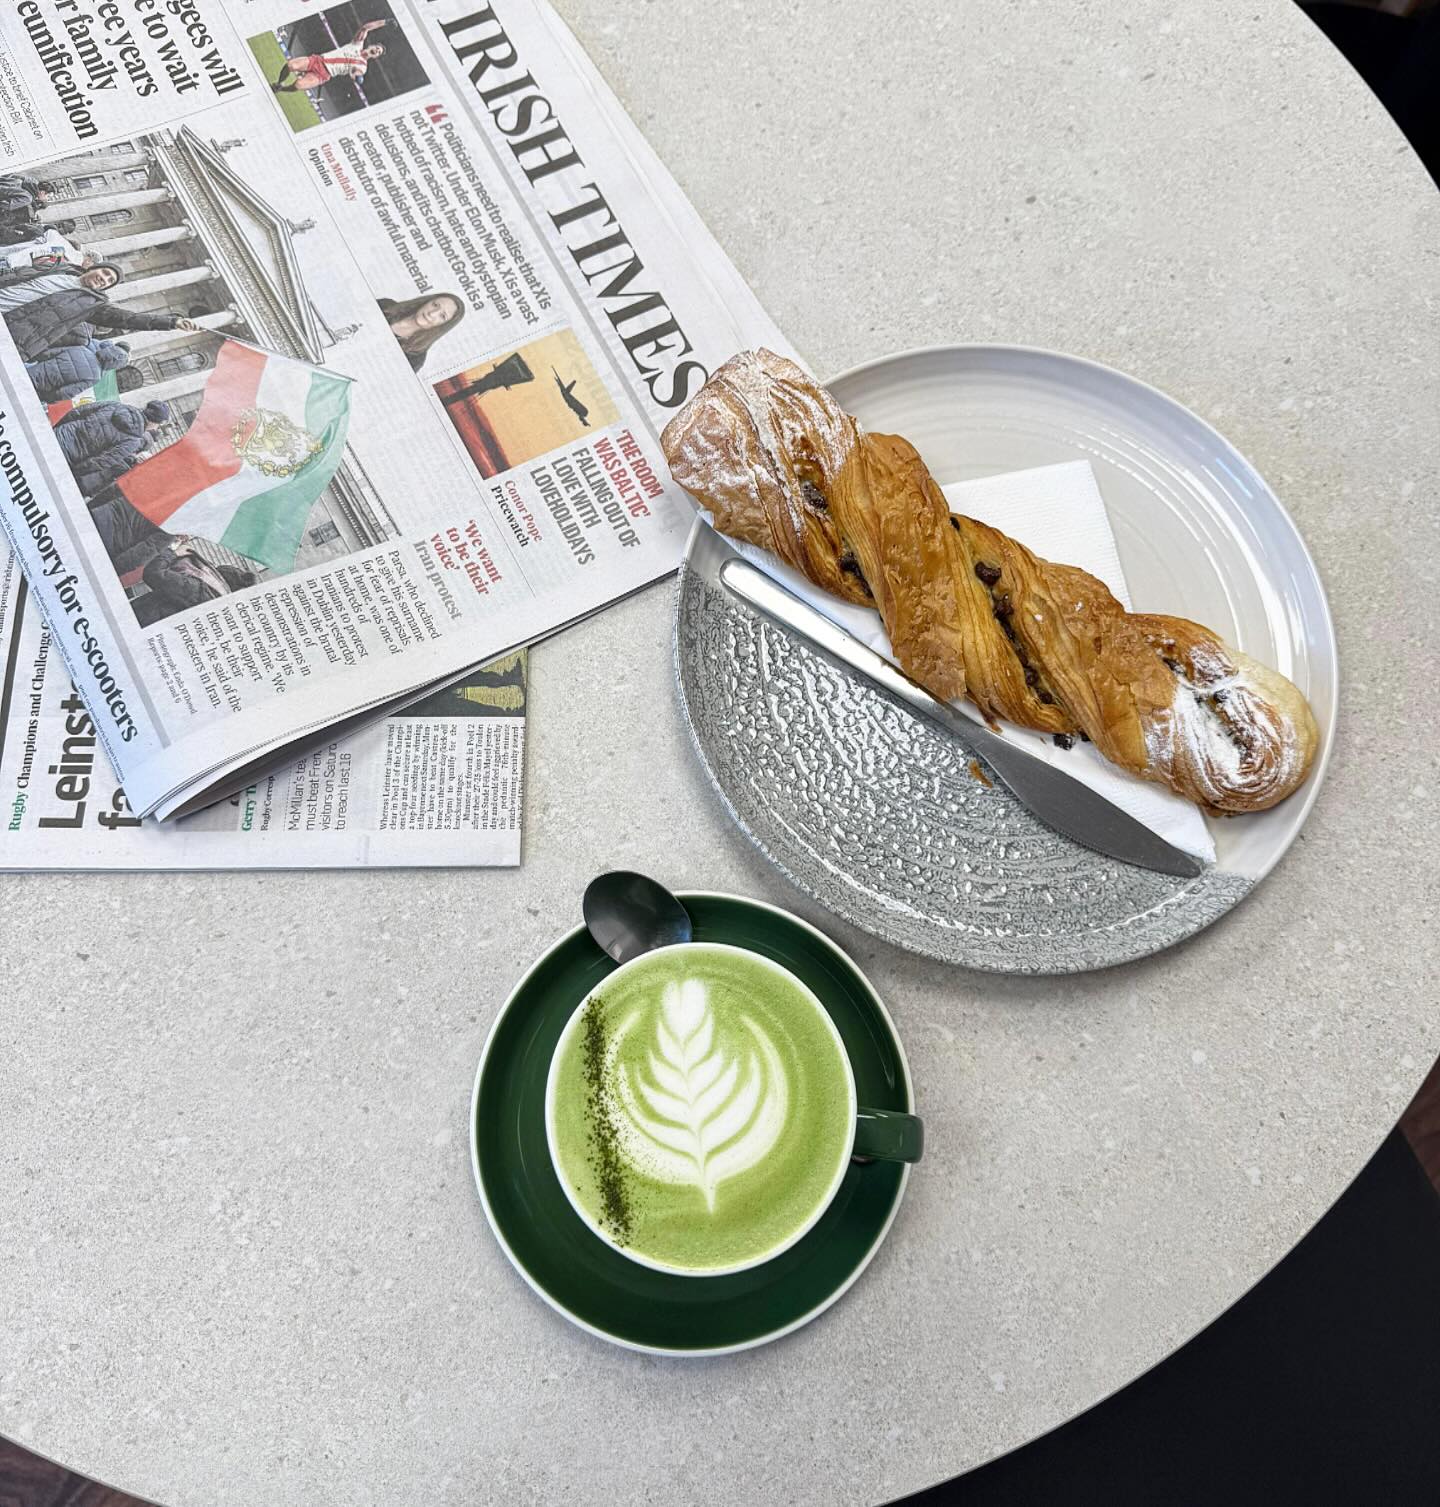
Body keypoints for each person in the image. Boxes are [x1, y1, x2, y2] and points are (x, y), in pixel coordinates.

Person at [89, 494, 256, 625]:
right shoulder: (207, 597)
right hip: (106, 540)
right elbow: (139, 565)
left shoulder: (202, 592)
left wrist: (174, 551)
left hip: (102, 515)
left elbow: (154, 573)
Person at [1, 261, 199, 360]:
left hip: (9, 333)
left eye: (109, 281)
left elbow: (129, 319)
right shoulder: (63, 267)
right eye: (104, 272)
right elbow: (19, 275)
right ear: (92, 268)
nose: (104, 278)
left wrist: (172, 322)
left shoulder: (92, 305)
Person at [52, 398, 171, 498]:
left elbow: (77, 412)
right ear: (154, 423)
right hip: (67, 457)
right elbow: (100, 462)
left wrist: (56, 429)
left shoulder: (116, 405)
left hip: (60, 433)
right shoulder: (133, 442)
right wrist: (73, 471)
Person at [272, 20, 387, 92]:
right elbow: (365, 27)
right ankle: (278, 83)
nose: (377, 50)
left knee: (298, 85)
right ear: (371, 45)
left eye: (379, 52)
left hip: (324, 74)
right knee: (290, 65)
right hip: (319, 60)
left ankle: (282, 89)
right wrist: (384, 22)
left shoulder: (363, 67)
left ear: (375, 57)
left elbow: (356, 73)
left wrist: (356, 76)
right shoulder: (357, 45)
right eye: (377, 48)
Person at [376, 292, 465, 370]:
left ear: (443, 325)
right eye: (435, 305)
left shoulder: (415, 358)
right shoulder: (385, 305)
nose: (432, 314)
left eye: (442, 316)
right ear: (426, 301)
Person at [25, 336, 128, 403]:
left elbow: (49, 353)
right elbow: (65, 393)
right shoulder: (95, 377)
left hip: (33, 371)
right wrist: (46, 398)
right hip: (40, 389)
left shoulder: (82, 349)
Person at [0, 176, 55, 242]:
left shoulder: (29, 180)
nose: (46, 199)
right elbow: (6, 205)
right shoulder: (27, 198)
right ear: (42, 192)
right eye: (48, 196)